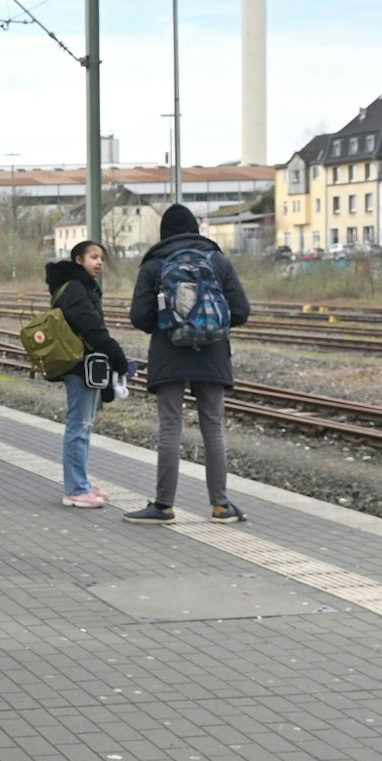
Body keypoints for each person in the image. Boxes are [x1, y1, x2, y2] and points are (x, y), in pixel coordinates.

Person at [124, 204, 252, 524]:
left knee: (170, 427)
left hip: (168, 354)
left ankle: (163, 506)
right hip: (212, 354)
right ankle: (221, 506)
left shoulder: (155, 264)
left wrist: (169, 321)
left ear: (164, 233)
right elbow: (241, 310)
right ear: (196, 229)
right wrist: (210, 325)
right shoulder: (217, 260)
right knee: (213, 427)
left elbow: (139, 316)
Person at [47, 241, 130, 508]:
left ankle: (81, 482)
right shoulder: (75, 289)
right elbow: (91, 326)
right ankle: (75, 489)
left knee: (83, 426)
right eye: (93, 257)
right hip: (79, 366)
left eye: (101, 258)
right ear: (78, 259)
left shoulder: (77, 286)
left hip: (84, 364)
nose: (99, 262)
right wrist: (117, 355)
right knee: (78, 427)